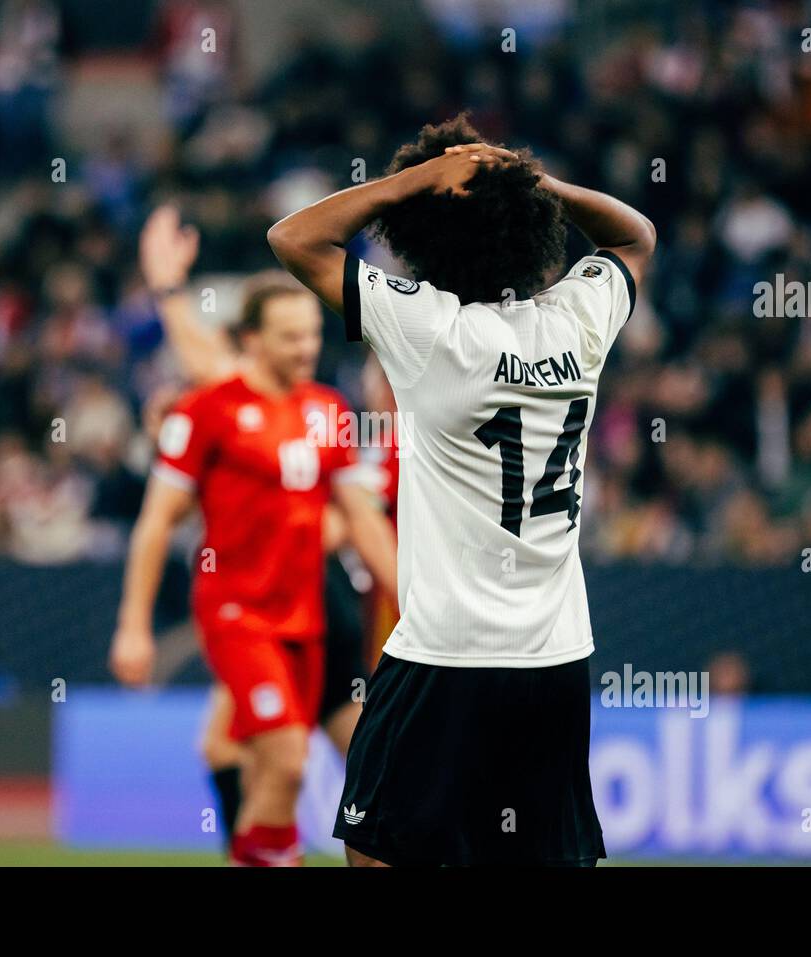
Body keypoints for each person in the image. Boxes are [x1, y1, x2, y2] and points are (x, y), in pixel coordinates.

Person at [267, 113, 655, 866]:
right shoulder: (578, 320)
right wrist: (534, 181)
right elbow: (635, 235)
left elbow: (294, 238)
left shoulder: (427, 330)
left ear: (427, 237)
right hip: (554, 658)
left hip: (444, 654)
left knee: (376, 849)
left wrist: (416, 181)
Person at [110, 248, 397, 866]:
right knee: (287, 757)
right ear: (250, 341)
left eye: (313, 335)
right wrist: (134, 627)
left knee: (277, 776)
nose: (305, 348)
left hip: (309, 617)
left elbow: (362, 520)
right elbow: (156, 522)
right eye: (290, 337)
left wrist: (414, 595)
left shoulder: (329, 412)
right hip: (239, 614)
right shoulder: (208, 412)